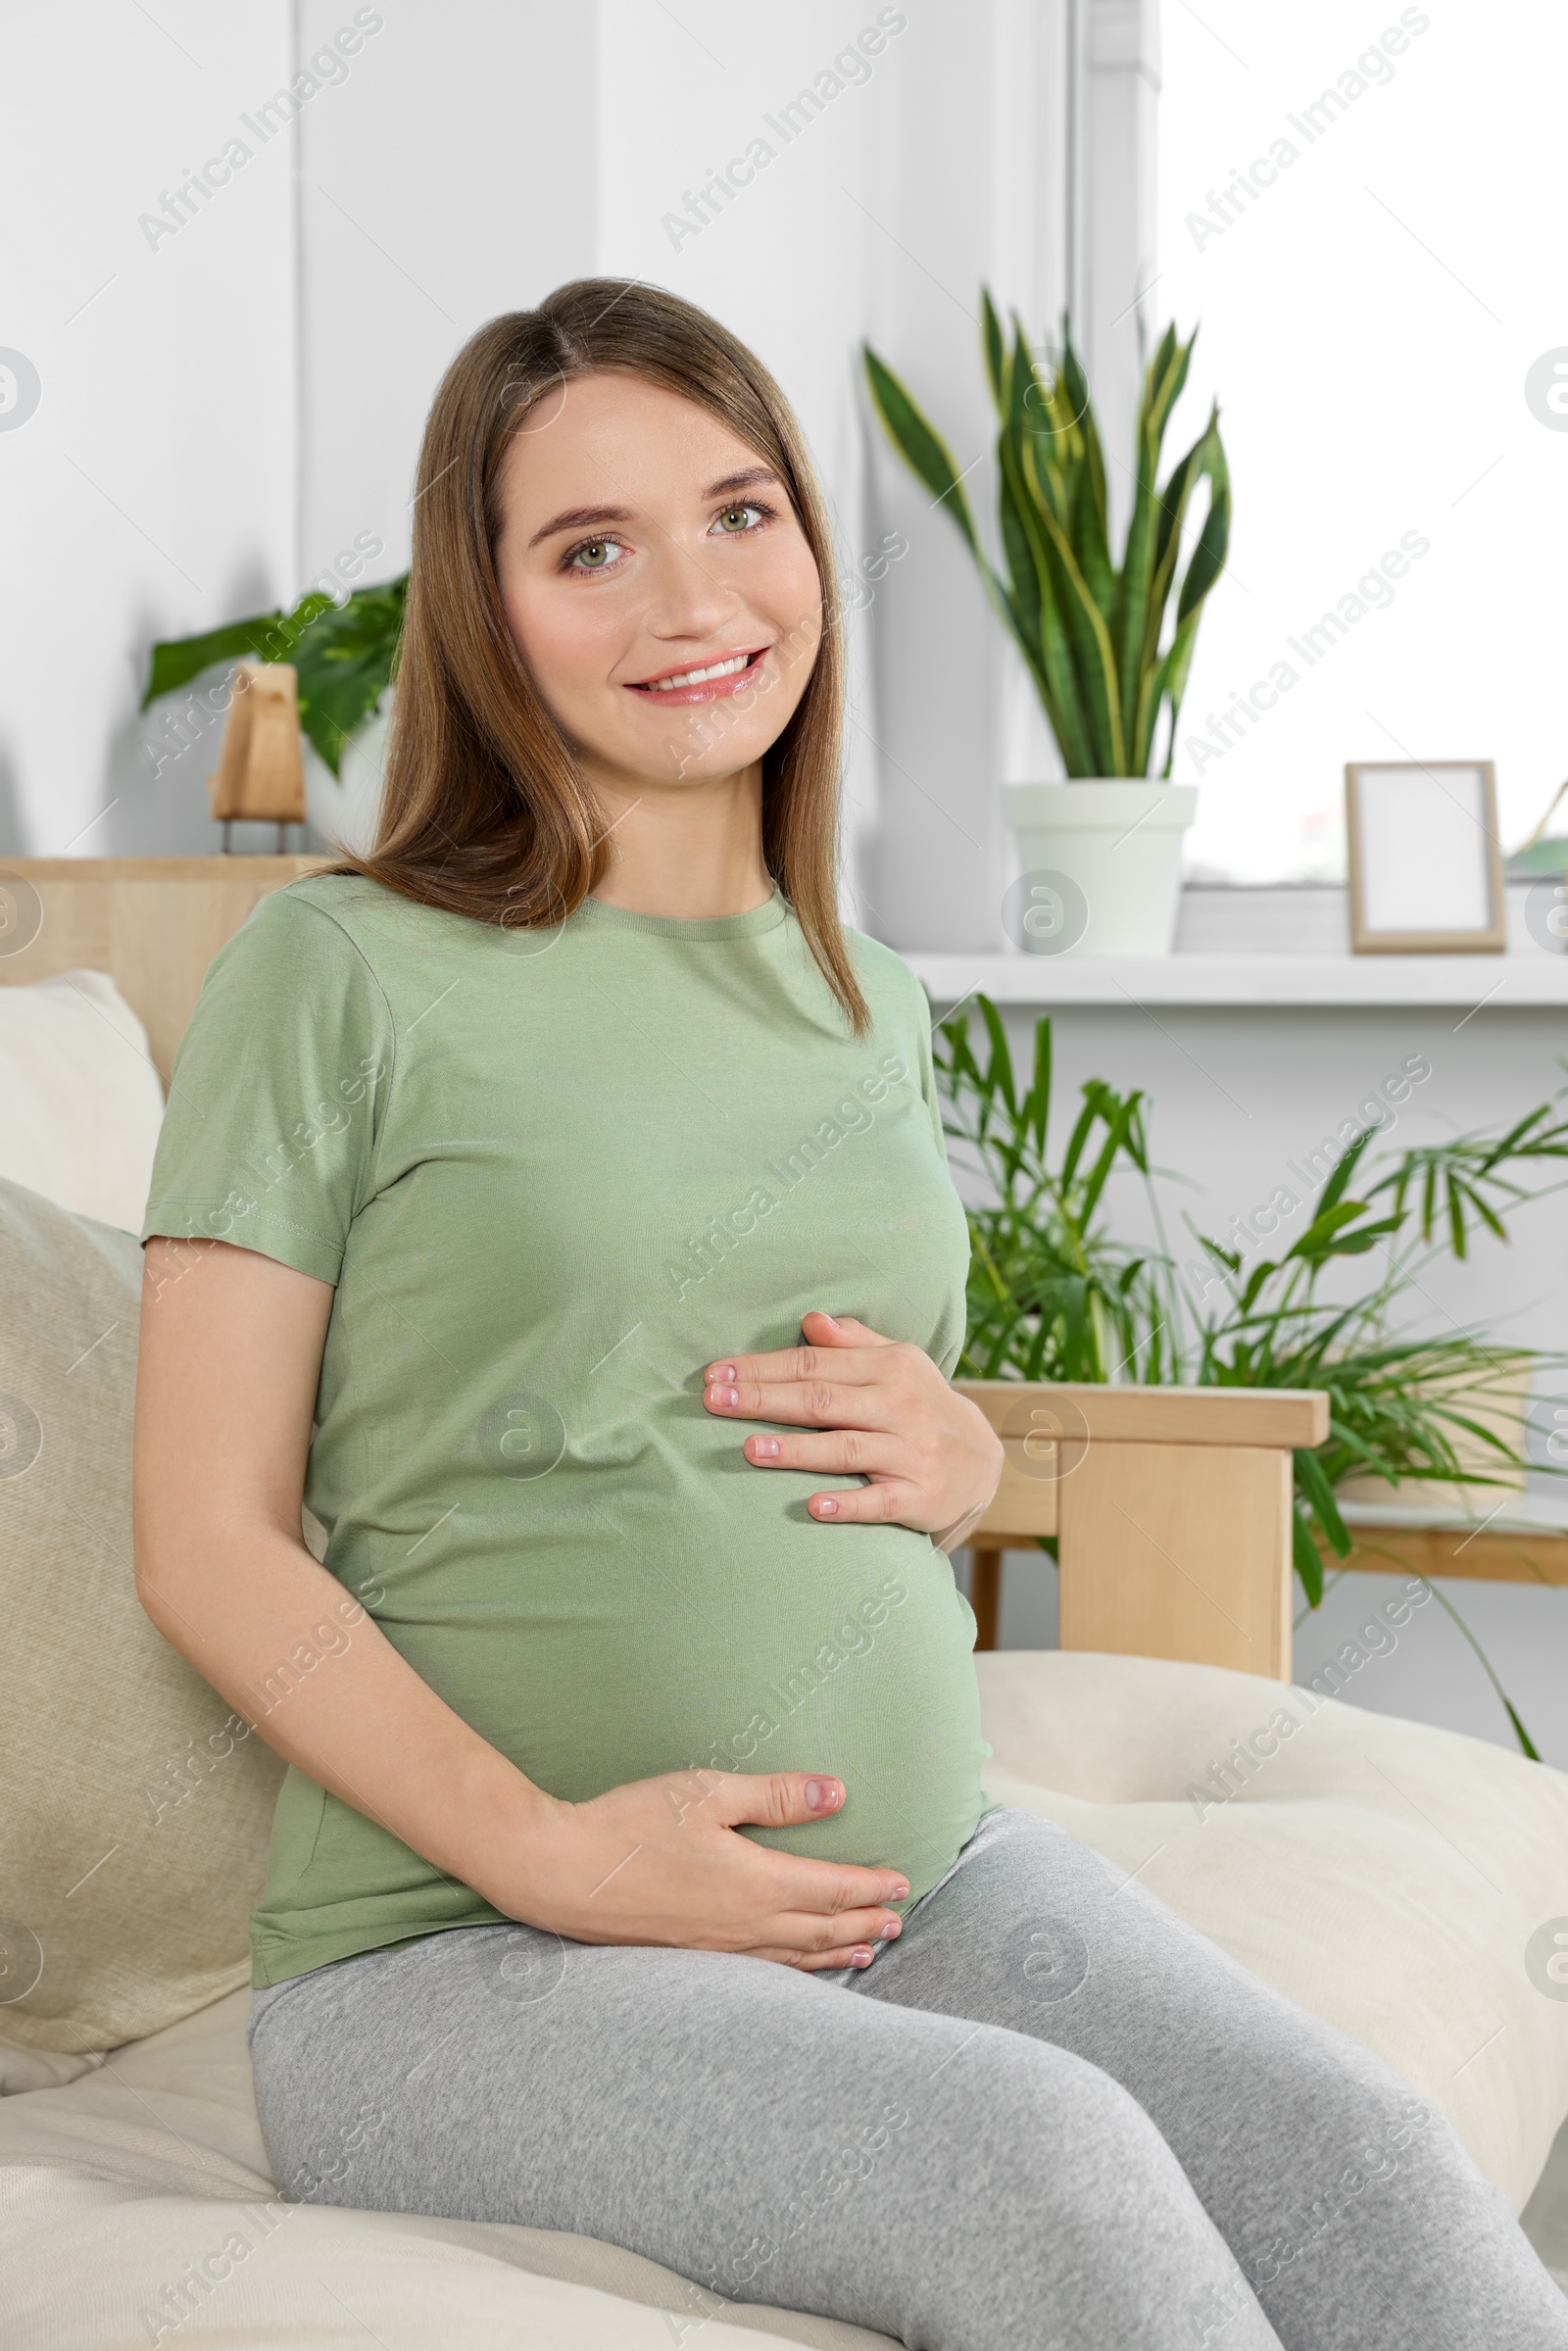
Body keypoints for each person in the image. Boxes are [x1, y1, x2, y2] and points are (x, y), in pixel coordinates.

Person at [133, 279, 1567, 2351]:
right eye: (588, 548)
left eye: (740, 512)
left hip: (925, 1882)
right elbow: (201, 1532)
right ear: (484, 606)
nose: (691, 596)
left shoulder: (861, 990)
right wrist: (553, 1857)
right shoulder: (341, 971)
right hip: (451, 1960)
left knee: (1352, 2157)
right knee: (1037, 2160)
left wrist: (968, 1459)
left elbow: (712, 1368)